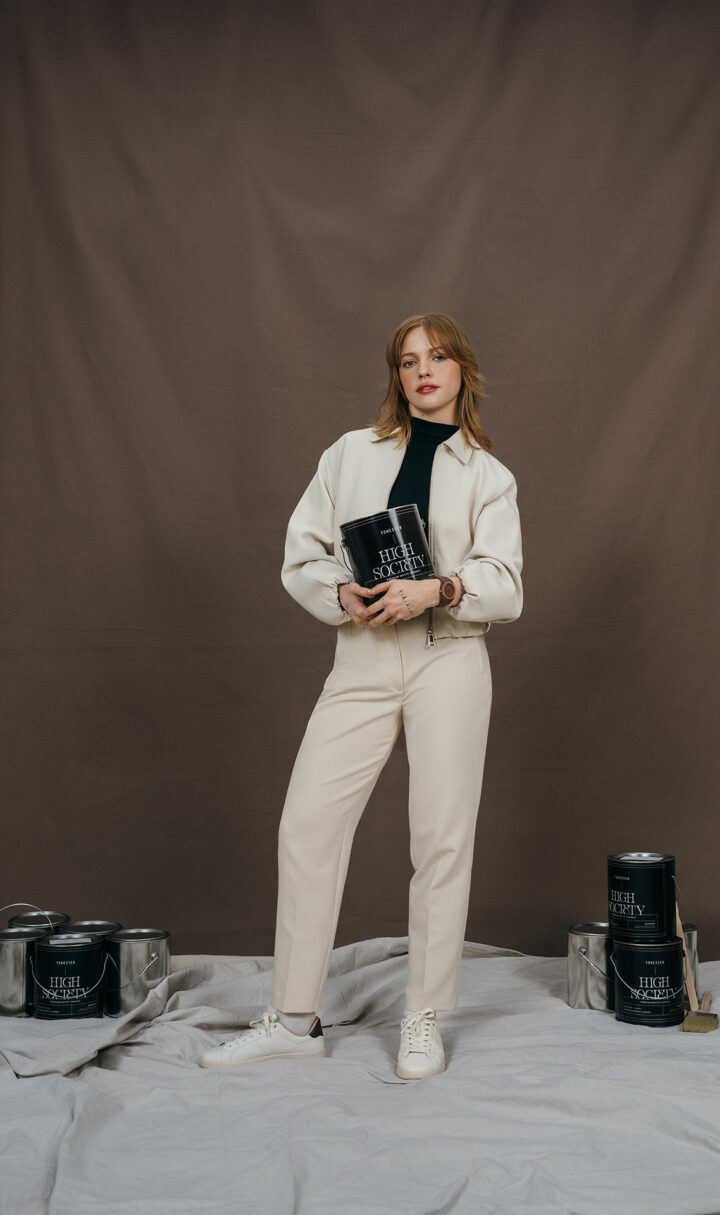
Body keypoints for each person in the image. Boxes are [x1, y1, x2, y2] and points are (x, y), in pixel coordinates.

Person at [199, 313, 523, 1078]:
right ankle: (294, 1017)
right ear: (396, 374)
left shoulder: (489, 474)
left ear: (461, 370)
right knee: (307, 825)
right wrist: (340, 591)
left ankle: (423, 1017)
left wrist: (438, 588)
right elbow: (301, 555)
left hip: (451, 657)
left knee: (440, 840)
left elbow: (505, 585)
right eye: (408, 360)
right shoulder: (350, 453)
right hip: (362, 658)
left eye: (437, 357)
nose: (422, 371)